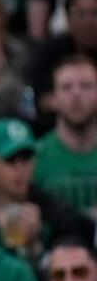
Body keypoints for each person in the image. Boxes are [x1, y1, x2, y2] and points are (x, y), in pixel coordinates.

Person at [0, 118, 95, 260]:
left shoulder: (57, 213)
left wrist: (36, 247)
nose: (20, 168)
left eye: (26, 158)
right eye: (10, 160)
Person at [33, 55, 97, 218]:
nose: (76, 94)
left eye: (86, 86)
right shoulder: (35, 157)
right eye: (66, 87)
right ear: (53, 99)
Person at [29, 0, 97, 124]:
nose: (88, 22)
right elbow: (43, 100)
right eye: (79, 13)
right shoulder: (49, 52)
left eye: (94, 13)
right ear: (67, 17)